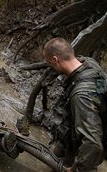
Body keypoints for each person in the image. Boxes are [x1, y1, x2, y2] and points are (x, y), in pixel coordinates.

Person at [43, 38, 106, 172]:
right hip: (75, 133)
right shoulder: (88, 63)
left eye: (49, 63)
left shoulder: (81, 97)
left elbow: (93, 144)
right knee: (54, 154)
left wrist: (76, 169)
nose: (50, 67)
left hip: (88, 145)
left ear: (55, 59)